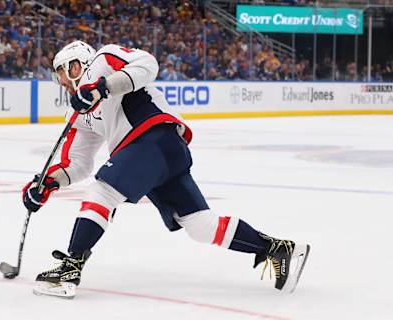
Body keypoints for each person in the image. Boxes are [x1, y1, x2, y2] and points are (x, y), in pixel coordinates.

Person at [22, 40, 310, 298]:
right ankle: (278, 249)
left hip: (153, 137)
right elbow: (76, 163)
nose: (59, 80)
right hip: (157, 155)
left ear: (75, 64)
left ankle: (71, 267)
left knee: (103, 191)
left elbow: (148, 64)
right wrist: (47, 183)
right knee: (201, 226)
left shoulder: (102, 60)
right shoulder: (79, 112)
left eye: (60, 71)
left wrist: (102, 86)